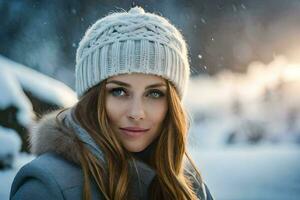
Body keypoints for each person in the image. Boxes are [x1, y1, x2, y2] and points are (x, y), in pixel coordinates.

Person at [10, 6, 214, 200]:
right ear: (92, 99)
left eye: (154, 94)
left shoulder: (187, 186)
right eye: (119, 91)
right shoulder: (46, 186)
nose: (137, 113)